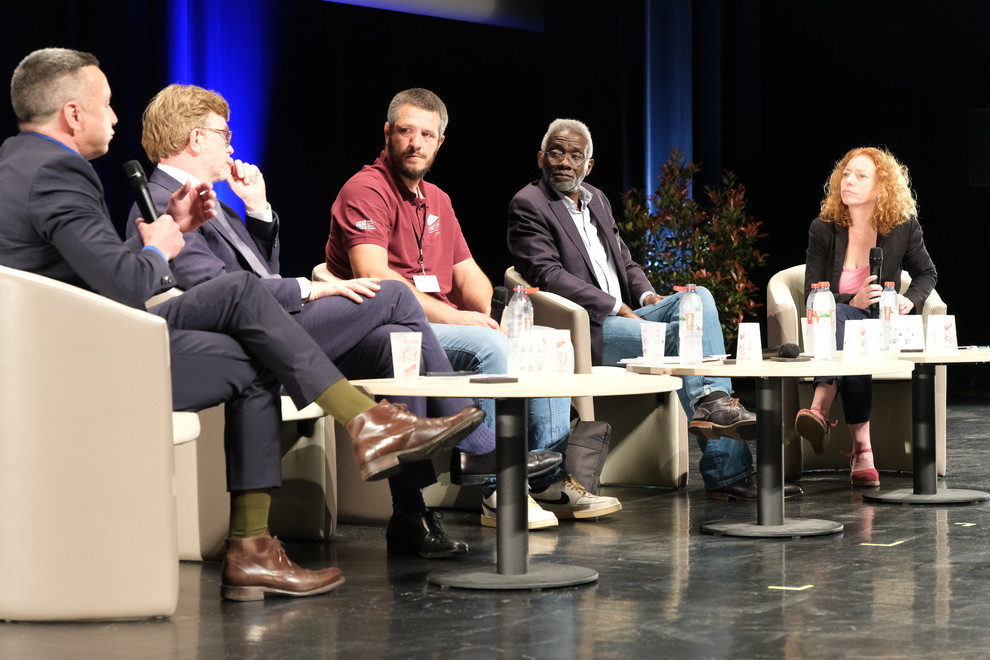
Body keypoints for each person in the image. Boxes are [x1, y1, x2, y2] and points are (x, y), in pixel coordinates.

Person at [0, 48, 484, 600]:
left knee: (255, 359)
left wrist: (175, 230)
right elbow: (130, 286)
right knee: (248, 301)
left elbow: (104, 278)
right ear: (72, 114)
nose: (115, 118)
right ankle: (370, 424)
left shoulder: (21, 163)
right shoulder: (57, 173)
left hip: (90, 340)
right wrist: (158, 247)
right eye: (106, 105)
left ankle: (252, 550)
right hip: (82, 358)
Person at [127, 84, 560, 558]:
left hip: (275, 327)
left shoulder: (211, 200)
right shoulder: (159, 202)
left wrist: (257, 210)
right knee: (393, 293)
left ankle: (410, 512)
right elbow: (219, 295)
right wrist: (315, 288)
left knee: (395, 339)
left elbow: (258, 275)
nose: (230, 143)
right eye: (222, 133)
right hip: (236, 345)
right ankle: (477, 446)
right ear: (194, 138)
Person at [327, 89, 621, 527]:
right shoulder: (365, 189)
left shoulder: (438, 200)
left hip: (442, 321)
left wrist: (491, 313)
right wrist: (462, 319)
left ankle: (549, 481)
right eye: (406, 131)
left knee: (546, 341)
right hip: (393, 326)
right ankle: (497, 489)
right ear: (388, 133)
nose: (416, 143)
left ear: (440, 142)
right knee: (488, 347)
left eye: (427, 134)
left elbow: (468, 274)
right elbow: (375, 274)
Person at [506, 118, 797, 502]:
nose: (564, 162)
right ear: (541, 157)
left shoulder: (597, 200)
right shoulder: (528, 203)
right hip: (587, 328)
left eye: (575, 155)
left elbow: (625, 263)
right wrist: (615, 305)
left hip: (628, 315)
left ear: (588, 165)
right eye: (556, 152)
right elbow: (548, 274)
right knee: (682, 339)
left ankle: (713, 404)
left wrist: (646, 298)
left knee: (700, 298)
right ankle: (726, 464)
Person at [797, 146, 937, 487]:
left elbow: (927, 275)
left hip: (881, 325)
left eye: (861, 176)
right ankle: (863, 451)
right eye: (846, 174)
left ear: (881, 187)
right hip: (833, 324)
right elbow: (810, 293)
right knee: (848, 323)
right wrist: (851, 298)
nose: (849, 181)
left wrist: (907, 302)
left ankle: (821, 409)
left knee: (855, 332)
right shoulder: (823, 228)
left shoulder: (902, 227)